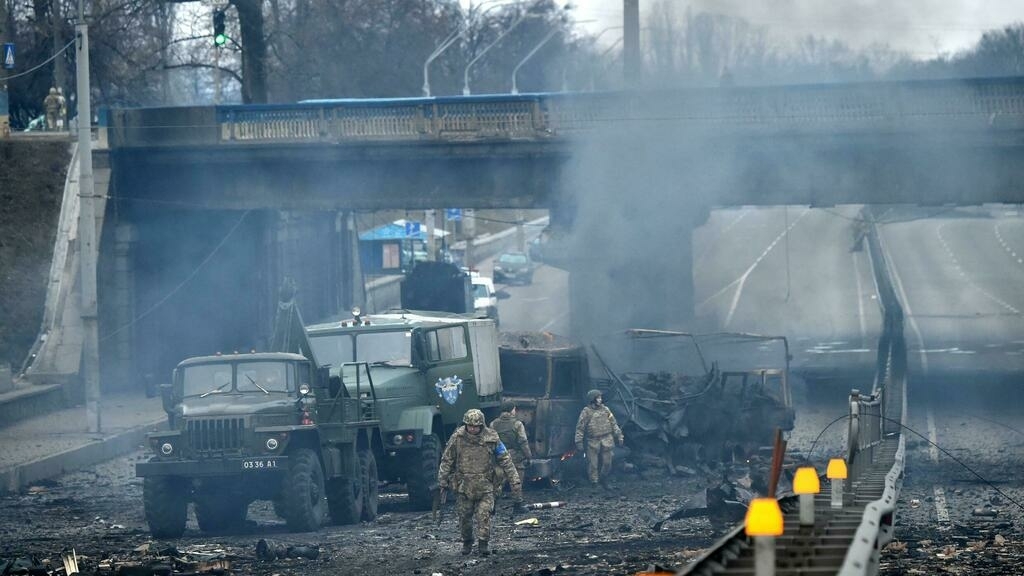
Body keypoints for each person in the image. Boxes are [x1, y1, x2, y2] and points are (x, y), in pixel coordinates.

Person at [438, 408, 522, 557]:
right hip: (464, 486)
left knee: (484, 516)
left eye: (476, 426)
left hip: (486, 485)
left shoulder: (492, 438)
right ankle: (467, 542)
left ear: (481, 425)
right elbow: (447, 460)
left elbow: (505, 459)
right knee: (464, 518)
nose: (472, 429)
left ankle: (483, 543)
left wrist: (514, 479)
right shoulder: (457, 437)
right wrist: (443, 480)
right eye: (469, 425)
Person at [575, 389, 624, 490]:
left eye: (600, 397)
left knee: (607, 463)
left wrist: (619, 436)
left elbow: (614, 424)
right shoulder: (586, 412)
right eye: (598, 398)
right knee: (593, 464)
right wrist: (578, 441)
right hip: (593, 441)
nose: (600, 400)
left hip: (607, 439)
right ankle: (594, 483)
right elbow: (580, 428)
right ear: (593, 399)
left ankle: (603, 479)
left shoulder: (606, 410)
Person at [490, 400, 533, 498]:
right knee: (516, 481)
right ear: (511, 410)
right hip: (516, 457)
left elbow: (491, 441)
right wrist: (529, 457)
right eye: (514, 409)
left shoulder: (493, 424)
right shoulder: (517, 424)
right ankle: (517, 502)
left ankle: (493, 502)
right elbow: (523, 442)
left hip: (499, 456)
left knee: (498, 481)